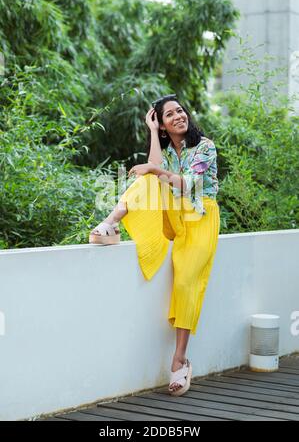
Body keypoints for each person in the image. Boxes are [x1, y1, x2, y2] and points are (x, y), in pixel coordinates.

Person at [89, 94, 220, 397]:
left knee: (186, 281)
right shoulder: (165, 145)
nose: (178, 116)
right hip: (173, 216)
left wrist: (154, 171)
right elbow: (154, 168)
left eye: (180, 111)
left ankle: (180, 359)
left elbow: (189, 183)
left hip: (200, 216)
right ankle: (110, 223)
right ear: (162, 124)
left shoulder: (205, 146)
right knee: (146, 180)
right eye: (169, 115)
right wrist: (151, 134)